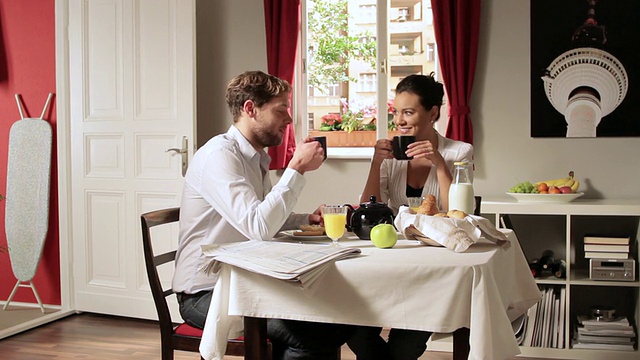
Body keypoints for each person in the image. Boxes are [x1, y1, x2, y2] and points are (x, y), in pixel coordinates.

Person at [172, 70, 355, 359]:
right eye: (281, 109)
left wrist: (305, 219)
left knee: (330, 319)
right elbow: (258, 227)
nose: (290, 119)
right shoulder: (219, 156)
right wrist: (295, 170)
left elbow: (263, 218)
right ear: (250, 109)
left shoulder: (255, 157)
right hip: (207, 293)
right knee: (311, 335)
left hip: (246, 281)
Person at [347, 73, 473, 360]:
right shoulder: (392, 155)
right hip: (390, 258)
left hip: (433, 268)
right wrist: (377, 162)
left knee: (405, 347)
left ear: (433, 113)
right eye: (396, 112)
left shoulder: (459, 151)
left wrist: (440, 163)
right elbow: (369, 207)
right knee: (353, 329)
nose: (399, 120)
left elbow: (458, 214)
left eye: (408, 112)